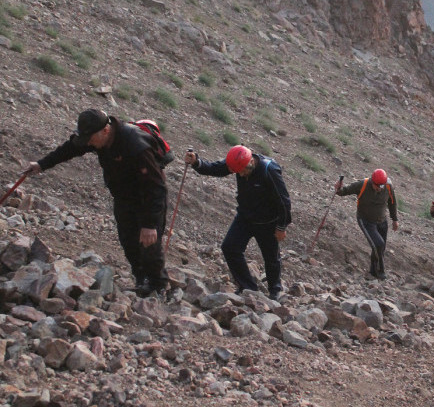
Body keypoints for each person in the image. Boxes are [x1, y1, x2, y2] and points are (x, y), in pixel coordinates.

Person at [24, 109, 169, 296]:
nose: (88, 144)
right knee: (128, 240)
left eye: (90, 139)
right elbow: (70, 149)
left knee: (149, 243)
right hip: (124, 197)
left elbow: (156, 187)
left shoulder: (135, 145)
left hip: (147, 198)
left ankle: (158, 287)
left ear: (105, 131)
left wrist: (150, 224)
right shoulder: (95, 137)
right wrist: (42, 164)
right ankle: (142, 280)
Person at [184, 145, 291, 300]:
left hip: (267, 222)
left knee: (271, 257)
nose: (240, 174)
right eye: (237, 172)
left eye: (242, 171)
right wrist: (196, 163)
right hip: (245, 217)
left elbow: (284, 201)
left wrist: (281, 226)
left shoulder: (269, 170)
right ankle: (248, 288)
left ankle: (275, 291)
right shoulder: (237, 162)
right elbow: (216, 169)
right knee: (229, 247)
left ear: (251, 163)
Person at [335, 169, 398, 280]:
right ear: (372, 181)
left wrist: (395, 219)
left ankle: (373, 272)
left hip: (382, 221)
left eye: (381, 186)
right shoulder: (362, 184)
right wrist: (338, 188)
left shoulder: (388, 186)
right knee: (378, 244)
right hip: (366, 221)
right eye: (377, 186)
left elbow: (392, 202)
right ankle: (380, 272)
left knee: (380, 248)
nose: (379, 188)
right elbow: (343, 192)